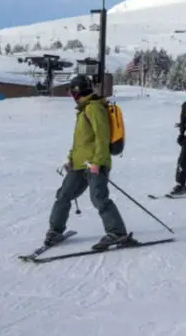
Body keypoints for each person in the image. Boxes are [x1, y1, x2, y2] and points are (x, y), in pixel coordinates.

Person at [44, 75, 132, 250]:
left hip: (94, 163)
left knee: (98, 197)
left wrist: (97, 162)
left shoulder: (94, 108)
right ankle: (55, 230)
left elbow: (102, 136)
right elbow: (80, 141)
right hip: (79, 164)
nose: (71, 95)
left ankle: (117, 233)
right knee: (63, 195)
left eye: (72, 91)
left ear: (77, 91)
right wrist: (70, 158)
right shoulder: (83, 110)